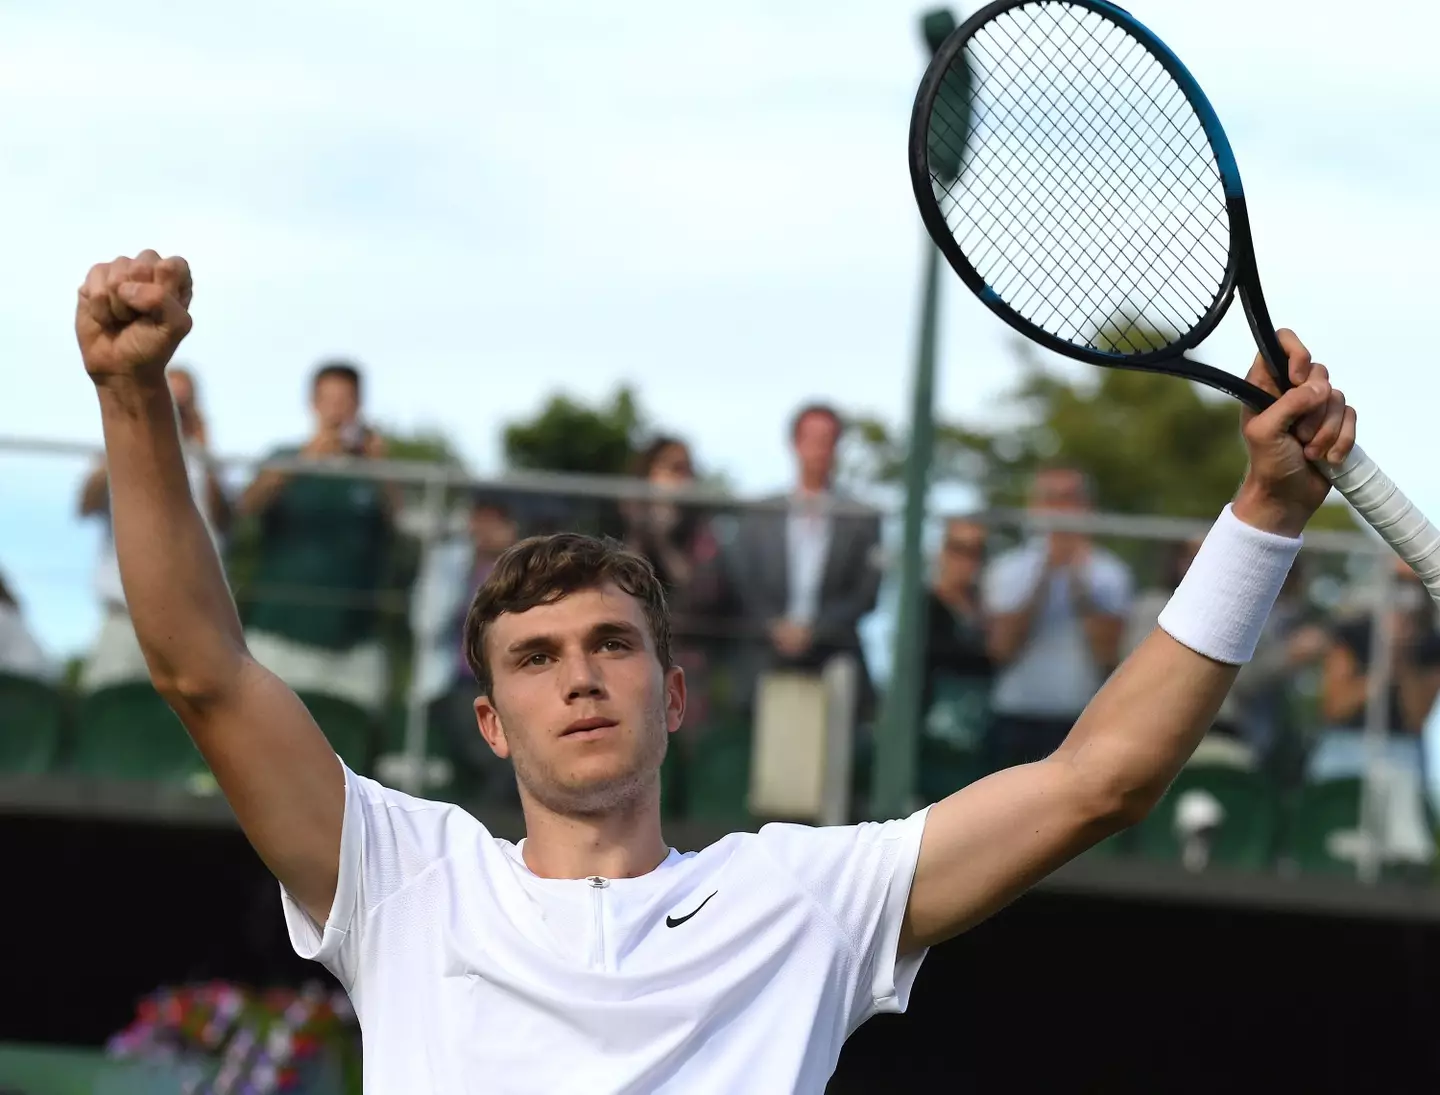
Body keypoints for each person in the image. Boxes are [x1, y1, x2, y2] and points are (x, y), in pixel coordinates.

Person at [76, 250, 1354, 1094]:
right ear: (492, 723)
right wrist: (134, 397)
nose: (580, 678)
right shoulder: (405, 877)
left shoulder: (803, 897)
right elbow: (202, 673)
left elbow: (1100, 781)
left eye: (612, 645)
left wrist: (1265, 511)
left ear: (675, 694)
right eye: (536, 659)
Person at [235, 359, 398, 712]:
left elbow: (400, 526)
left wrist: (382, 470)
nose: (337, 410)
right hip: (280, 638)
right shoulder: (284, 457)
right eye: (329, 400)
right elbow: (246, 507)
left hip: (354, 645)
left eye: (346, 400)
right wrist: (306, 459)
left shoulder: (374, 470)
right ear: (313, 403)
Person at [76, 364, 229, 691]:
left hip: (193, 618)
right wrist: (127, 435)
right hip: (125, 614)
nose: (172, 410)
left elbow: (228, 520)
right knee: (108, 702)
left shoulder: (203, 460)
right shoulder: (117, 447)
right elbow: (85, 505)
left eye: (182, 404)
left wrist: (205, 451)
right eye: (166, 399)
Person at [981, 464, 1133, 772]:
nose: (1060, 509)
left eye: (1069, 498)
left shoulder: (1111, 574)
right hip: (1016, 717)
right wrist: (1044, 574)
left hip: (1081, 720)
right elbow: (1001, 649)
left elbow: (1108, 656)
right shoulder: (1006, 569)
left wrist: (1079, 582)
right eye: (1050, 498)